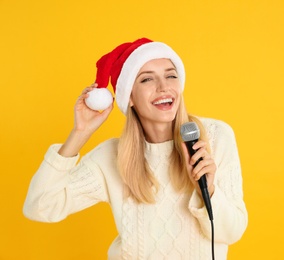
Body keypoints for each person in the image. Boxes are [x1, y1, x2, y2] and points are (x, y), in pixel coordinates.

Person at [23, 37, 248, 260]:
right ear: (129, 96)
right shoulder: (111, 157)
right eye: (147, 80)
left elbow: (232, 232)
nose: (164, 87)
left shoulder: (215, 137)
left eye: (171, 75)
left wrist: (207, 192)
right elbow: (40, 206)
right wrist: (80, 133)